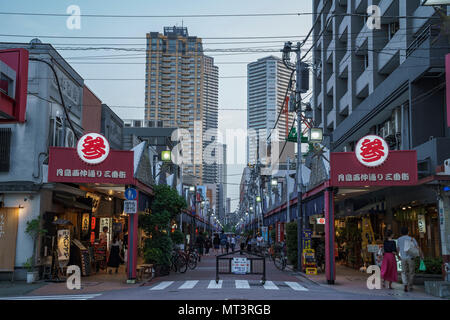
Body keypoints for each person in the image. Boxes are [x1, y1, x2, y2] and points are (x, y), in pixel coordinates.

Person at [397, 227, 423, 292]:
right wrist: (421, 255)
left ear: (401, 233)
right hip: (411, 258)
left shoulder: (399, 239)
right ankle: (410, 285)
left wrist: (398, 256)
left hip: (403, 258)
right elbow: (417, 247)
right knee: (411, 272)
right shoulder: (412, 239)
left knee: (404, 272)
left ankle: (405, 284)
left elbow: (398, 249)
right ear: (408, 232)